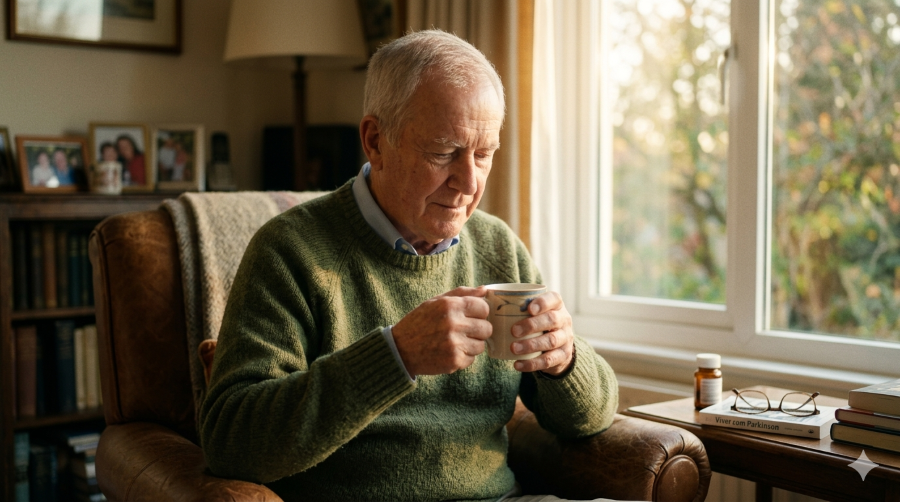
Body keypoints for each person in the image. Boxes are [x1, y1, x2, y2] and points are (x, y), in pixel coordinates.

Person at [200, 30, 619, 502]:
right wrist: (395, 356)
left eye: (484, 155)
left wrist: (564, 361)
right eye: (444, 152)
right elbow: (230, 442)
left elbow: (590, 419)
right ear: (376, 141)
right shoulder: (290, 251)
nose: (468, 182)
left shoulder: (497, 244)